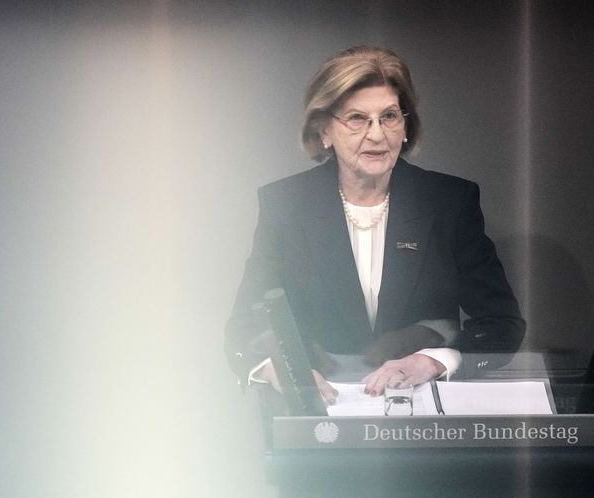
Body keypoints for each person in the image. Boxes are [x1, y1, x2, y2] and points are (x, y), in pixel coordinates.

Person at [225, 46, 525, 404]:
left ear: (406, 127)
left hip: (422, 418)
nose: (377, 135)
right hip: (321, 418)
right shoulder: (286, 205)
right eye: (357, 118)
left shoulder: (448, 202)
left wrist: (433, 360)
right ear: (324, 131)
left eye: (389, 117)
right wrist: (284, 370)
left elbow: (501, 323)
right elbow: (244, 329)